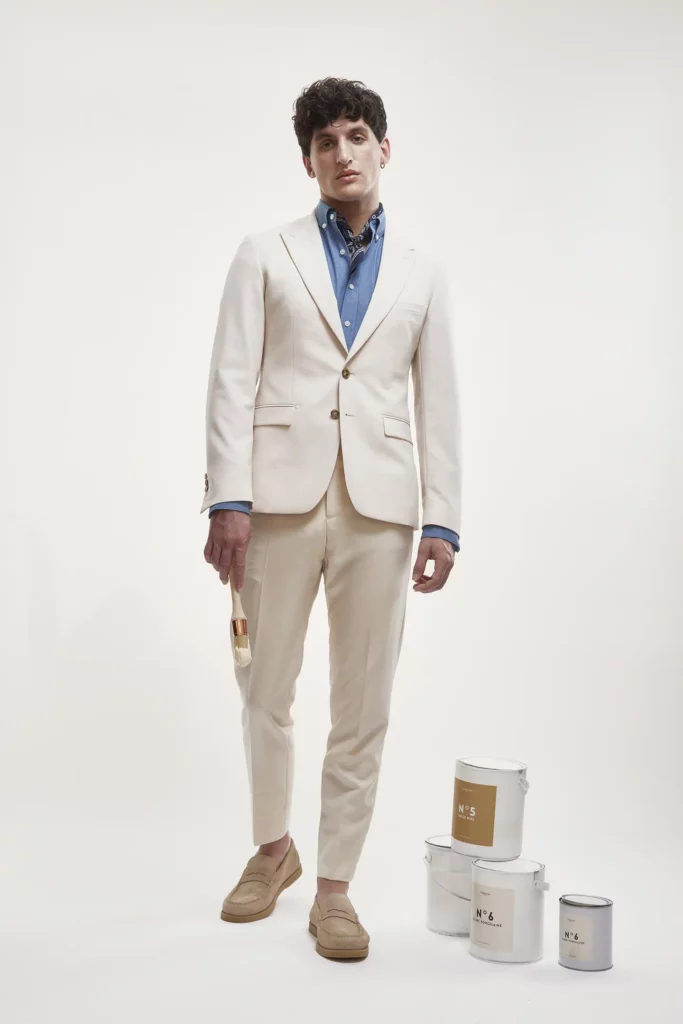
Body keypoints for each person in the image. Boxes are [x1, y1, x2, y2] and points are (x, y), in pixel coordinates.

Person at [201, 77, 462, 961]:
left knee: (363, 702)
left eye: (355, 136)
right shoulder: (263, 254)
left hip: (381, 510)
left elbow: (438, 402)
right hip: (273, 503)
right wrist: (227, 497)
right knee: (262, 689)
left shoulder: (423, 273)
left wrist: (443, 519)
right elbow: (230, 380)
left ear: (383, 148)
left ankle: (336, 889)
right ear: (307, 160)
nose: (341, 153)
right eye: (324, 142)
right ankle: (274, 850)